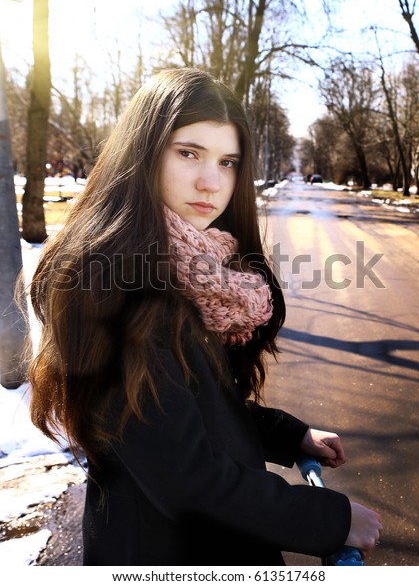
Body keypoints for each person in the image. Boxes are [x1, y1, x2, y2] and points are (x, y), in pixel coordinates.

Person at [27, 67, 382, 566]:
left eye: (228, 161)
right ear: (143, 152)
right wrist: (331, 519)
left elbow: (196, 406)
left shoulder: (196, 272)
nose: (211, 181)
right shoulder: (108, 284)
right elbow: (183, 476)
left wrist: (286, 434)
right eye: (188, 152)